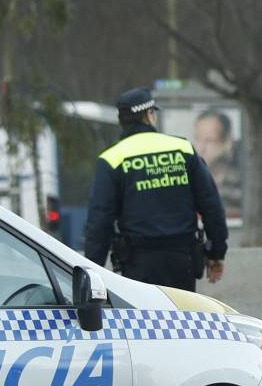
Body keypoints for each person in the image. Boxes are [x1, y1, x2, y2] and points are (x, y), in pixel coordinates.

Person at [84, 87, 229, 291]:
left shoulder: (111, 159)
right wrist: (216, 254)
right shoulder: (182, 149)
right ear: (149, 115)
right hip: (183, 259)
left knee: (147, 321)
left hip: (138, 264)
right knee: (182, 319)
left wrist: (92, 272)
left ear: (121, 121)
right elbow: (211, 206)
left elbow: (99, 223)